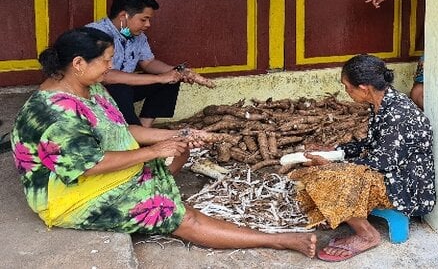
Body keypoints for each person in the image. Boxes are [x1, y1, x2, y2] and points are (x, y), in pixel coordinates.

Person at [10, 27, 316, 257]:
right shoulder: (53, 113)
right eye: (106, 61)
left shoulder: (90, 87)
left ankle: (156, 190)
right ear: (78, 62)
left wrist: (178, 135)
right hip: (70, 195)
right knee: (177, 214)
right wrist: (155, 151)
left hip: (97, 168)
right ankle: (280, 240)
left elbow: (123, 131)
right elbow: (87, 167)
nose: (110, 67)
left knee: (174, 156)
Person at [290, 54, 435, 262]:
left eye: (347, 87)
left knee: (330, 177)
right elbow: (371, 145)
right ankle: (341, 213)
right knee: (317, 172)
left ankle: (367, 235)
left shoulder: (398, 114)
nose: (346, 91)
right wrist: (336, 151)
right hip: (391, 174)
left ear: (364, 88)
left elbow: (382, 163)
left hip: (405, 188)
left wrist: (334, 163)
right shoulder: (383, 103)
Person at [86, 0, 215, 127]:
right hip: (100, 91)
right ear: (124, 16)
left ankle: (144, 127)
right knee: (121, 89)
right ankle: (132, 132)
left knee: (171, 79)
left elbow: (148, 63)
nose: (148, 24)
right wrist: (159, 78)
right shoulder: (96, 34)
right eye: (143, 19)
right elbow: (106, 76)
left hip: (126, 86)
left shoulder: (137, 36)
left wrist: (178, 72)